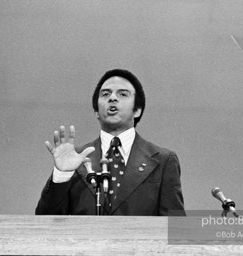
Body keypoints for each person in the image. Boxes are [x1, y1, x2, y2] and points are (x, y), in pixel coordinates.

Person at [35, 69, 185, 216]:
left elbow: (178, 230)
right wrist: (61, 174)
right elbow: (45, 221)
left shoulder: (163, 161)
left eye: (122, 94)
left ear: (137, 110)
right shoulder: (76, 160)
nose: (112, 98)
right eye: (105, 94)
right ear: (96, 111)